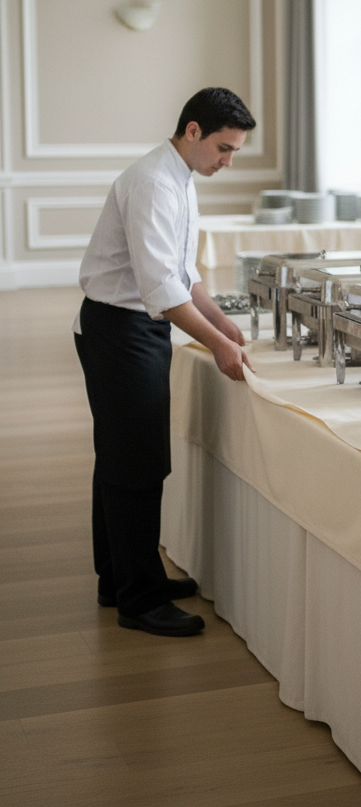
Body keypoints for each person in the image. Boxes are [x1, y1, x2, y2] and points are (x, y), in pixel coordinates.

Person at [74, 87, 256, 637]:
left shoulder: (180, 175)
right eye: (224, 149)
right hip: (120, 330)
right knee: (135, 464)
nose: (227, 162)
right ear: (193, 131)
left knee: (123, 458)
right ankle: (139, 600)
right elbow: (162, 293)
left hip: (133, 326)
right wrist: (219, 347)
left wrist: (223, 323)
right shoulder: (154, 182)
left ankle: (121, 578)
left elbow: (184, 273)